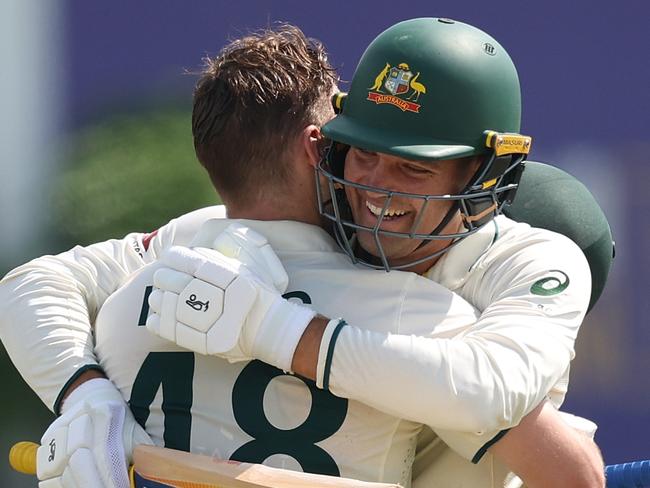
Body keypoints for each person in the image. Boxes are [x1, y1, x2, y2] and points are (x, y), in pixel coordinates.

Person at [0, 22, 604, 488]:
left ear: (486, 173)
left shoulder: (532, 262)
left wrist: (272, 326)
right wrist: (86, 395)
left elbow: (493, 396)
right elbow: (32, 284)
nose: (375, 188)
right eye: (363, 152)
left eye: (412, 166)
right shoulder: (223, 235)